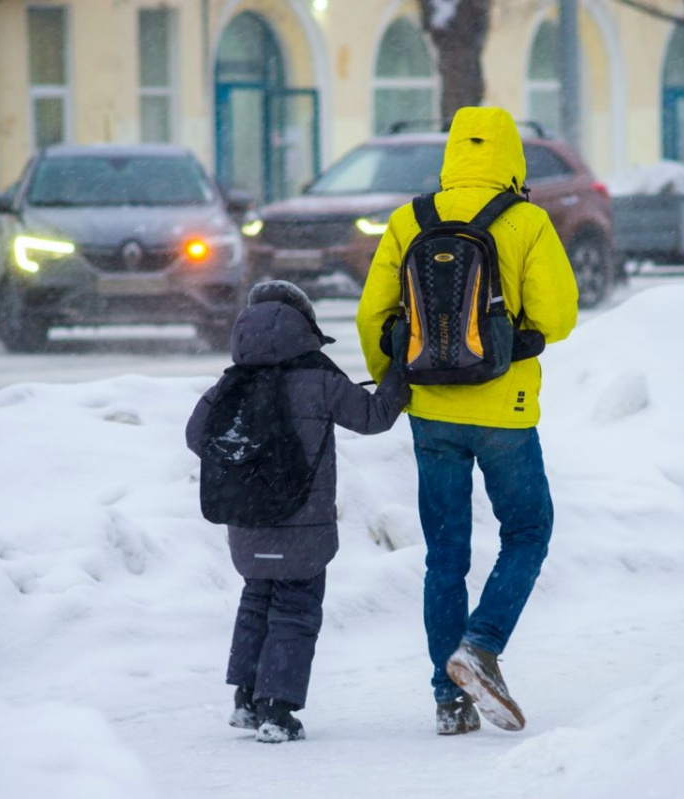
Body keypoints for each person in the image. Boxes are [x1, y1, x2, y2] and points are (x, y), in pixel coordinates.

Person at [355, 107, 579, 735]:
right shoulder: (526, 221)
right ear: (513, 157)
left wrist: (397, 382)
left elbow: (374, 314)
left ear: (453, 154)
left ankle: (447, 703)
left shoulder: (409, 220)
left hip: (432, 414)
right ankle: (480, 645)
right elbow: (557, 318)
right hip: (504, 410)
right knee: (529, 530)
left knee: (444, 555)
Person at [186, 280, 410, 743]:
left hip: (247, 522)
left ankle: (246, 701)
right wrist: (400, 372)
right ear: (303, 325)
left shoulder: (230, 384)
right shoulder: (320, 378)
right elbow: (375, 417)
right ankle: (277, 710)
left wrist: (246, 458)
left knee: (256, 603)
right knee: (295, 610)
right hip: (302, 526)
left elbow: (195, 437)